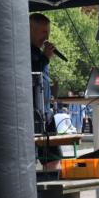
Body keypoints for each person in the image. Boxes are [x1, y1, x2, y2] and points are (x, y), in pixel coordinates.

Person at [29, 13, 65, 171]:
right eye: (43, 32)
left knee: (54, 158)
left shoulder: (39, 53)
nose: (47, 36)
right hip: (32, 114)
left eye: (48, 32)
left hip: (46, 112)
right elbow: (30, 75)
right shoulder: (24, 52)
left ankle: (53, 193)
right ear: (30, 29)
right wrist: (45, 58)